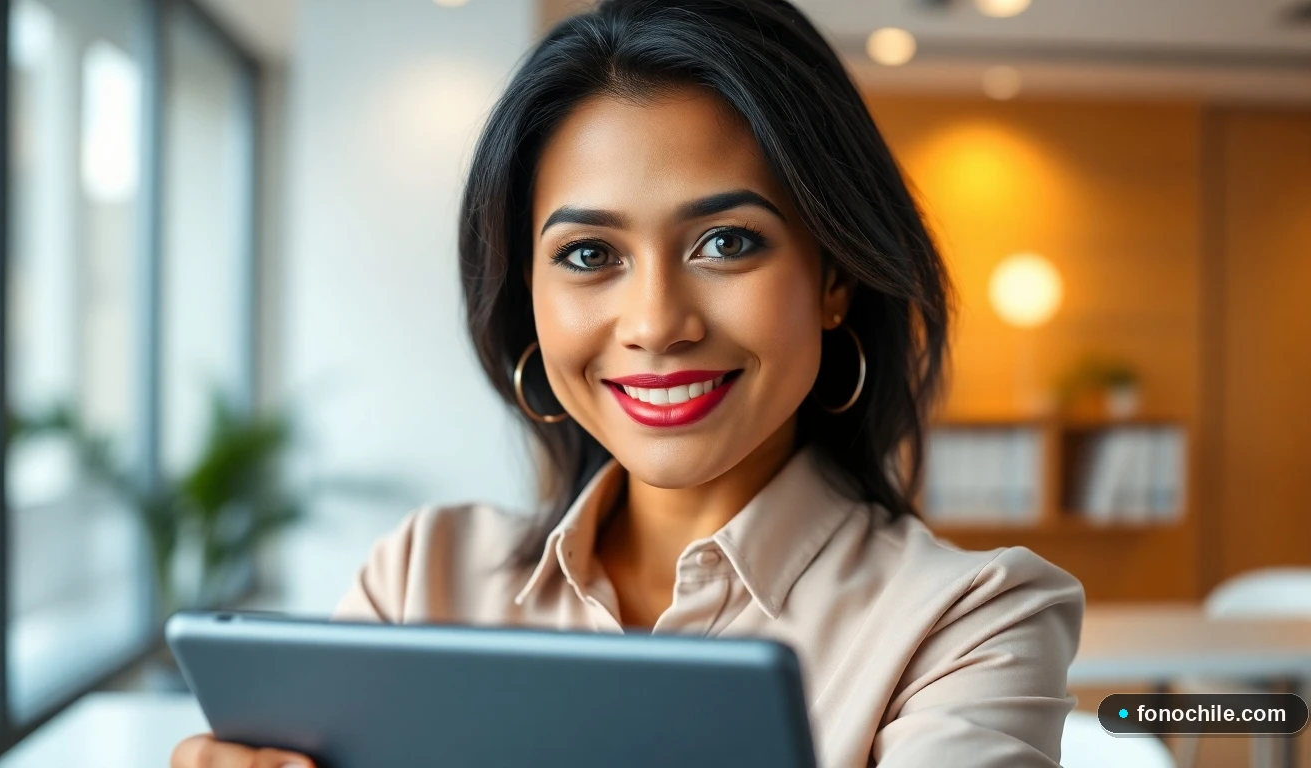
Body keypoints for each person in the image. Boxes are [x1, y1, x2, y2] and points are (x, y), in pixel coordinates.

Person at [172, 0, 1085, 765]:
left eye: (726, 242)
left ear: (835, 276)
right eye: (589, 254)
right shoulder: (423, 578)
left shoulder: (970, 627)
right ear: (526, 297)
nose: (655, 322)